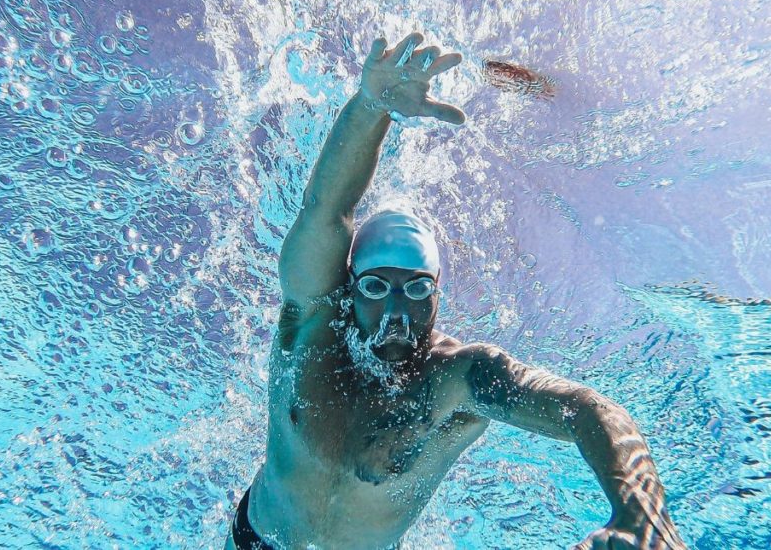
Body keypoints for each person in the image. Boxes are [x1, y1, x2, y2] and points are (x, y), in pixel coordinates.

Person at [225, 33, 687, 550]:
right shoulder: (311, 326)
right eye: (376, 287)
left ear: (440, 293)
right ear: (348, 284)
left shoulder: (460, 378)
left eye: (417, 290)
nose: (396, 311)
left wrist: (640, 511)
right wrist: (369, 108)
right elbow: (325, 210)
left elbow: (588, 409)